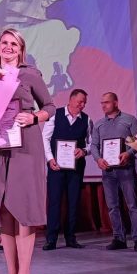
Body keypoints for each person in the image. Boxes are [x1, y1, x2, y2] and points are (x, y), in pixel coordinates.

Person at [0, 28, 56, 274]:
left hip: (25, 147)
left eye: (14, 43)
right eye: (4, 42)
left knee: (24, 210)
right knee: (4, 211)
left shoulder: (30, 74)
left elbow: (50, 106)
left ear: (21, 49)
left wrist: (34, 117)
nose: (8, 47)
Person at [90, 92, 137, 252]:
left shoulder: (129, 120)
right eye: (102, 103)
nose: (103, 105)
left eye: (106, 102)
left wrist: (128, 153)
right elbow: (94, 145)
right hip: (108, 171)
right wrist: (98, 159)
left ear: (115, 102)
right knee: (112, 206)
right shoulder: (99, 124)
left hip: (126, 169)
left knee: (132, 205)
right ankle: (119, 238)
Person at [42, 88, 92, 250]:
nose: (82, 105)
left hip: (76, 168)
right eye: (79, 102)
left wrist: (84, 151)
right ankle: (51, 239)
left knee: (73, 202)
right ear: (70, 100)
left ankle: (71, 237)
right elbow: (45, 138)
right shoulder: (54, 115)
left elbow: (92, 143)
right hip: (56, 167)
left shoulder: (87, 119)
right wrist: (50, 159)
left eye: (84, 103)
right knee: (54, 201)